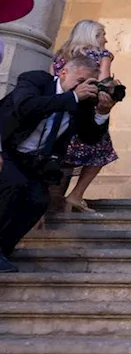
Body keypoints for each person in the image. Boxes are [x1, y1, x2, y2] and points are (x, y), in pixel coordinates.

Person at [0, 55, 115, 272]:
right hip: (7, 150)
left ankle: (4, 250)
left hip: (35, 161)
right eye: (80, 80)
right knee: (12, 188)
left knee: (38, 201)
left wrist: (102, 112)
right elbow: (26, 106)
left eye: (89, 83)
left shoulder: (81, 102)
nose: (84, 87)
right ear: (63, 73)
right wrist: (73, 97)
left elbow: (89, 136)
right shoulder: (36, 81)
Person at [54, 20, 117, 212]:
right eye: (102, 34)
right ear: (94, 36)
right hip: (87, 111)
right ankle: (75, 195)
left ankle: (52, 199)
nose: (105, 39)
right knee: (102, 151)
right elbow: (103, 83)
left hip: (61, 110)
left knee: (58, 154)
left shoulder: (60, 56)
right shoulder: (102, 55)